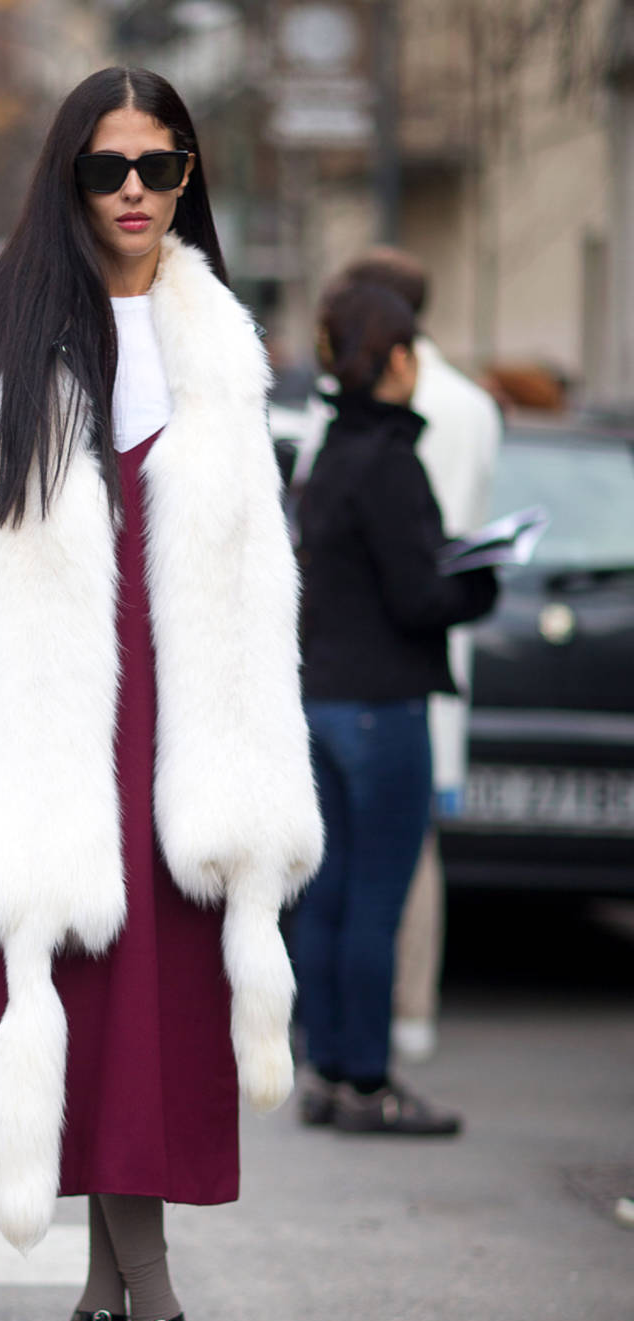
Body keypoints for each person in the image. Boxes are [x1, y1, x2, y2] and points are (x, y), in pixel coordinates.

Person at [0, 66, 322, 1321]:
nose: (133, 190)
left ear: (188, 176)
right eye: (105, 167)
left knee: (147, 1051)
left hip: (189, 741)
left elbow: (259, 567)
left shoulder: (223, 344)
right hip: (52, 735)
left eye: (158, 165)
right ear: (68, 179)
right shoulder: (0, 329)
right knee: (86, 1025)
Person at [292, 280, 497, 1137]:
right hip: (386, 706)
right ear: (401, 360)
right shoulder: (392, 458)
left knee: (328, 896)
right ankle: (370, 1083)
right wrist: (481, 579)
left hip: (322, 700)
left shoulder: (329, 451)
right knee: (378, 901)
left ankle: (326, 1074)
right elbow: (419, 596)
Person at [337, 249, 502, 1065]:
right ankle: (391, 1037)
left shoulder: (347, 433)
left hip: (343, 678)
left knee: (346, 880)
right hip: (403, 677)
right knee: (395, 871)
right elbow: (431, 572)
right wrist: (482, 585)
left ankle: (341, 1051)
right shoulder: (457, 414)